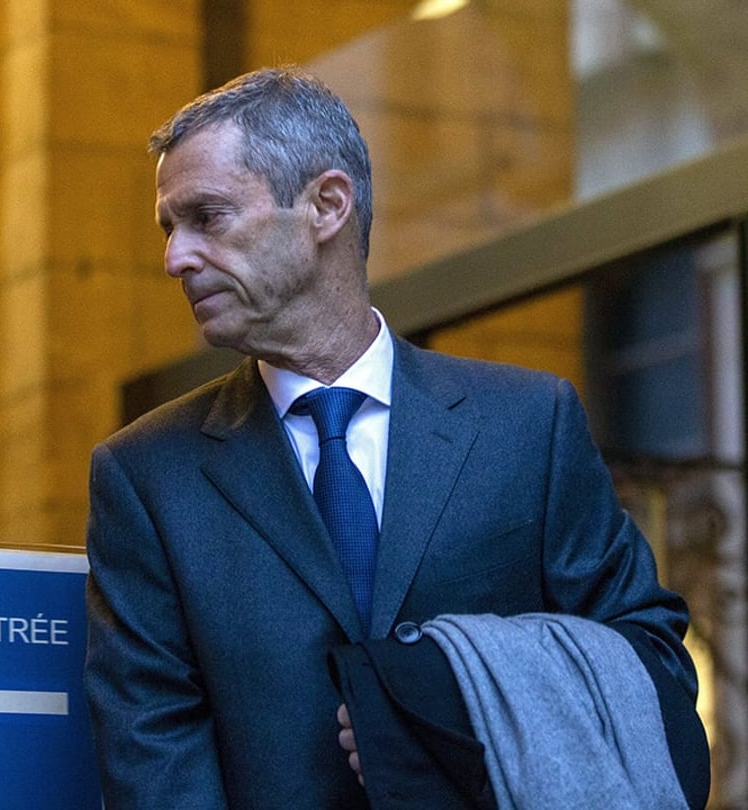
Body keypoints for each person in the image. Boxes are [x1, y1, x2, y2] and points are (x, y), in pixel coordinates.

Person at [82, 66, 699, 808]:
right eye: (168, 228)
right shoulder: (146, 476)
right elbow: (153, 754)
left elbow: (650, 657)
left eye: (206, 217)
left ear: (326, 205)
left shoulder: (527, 424)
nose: (174, 258)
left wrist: (455, 693)